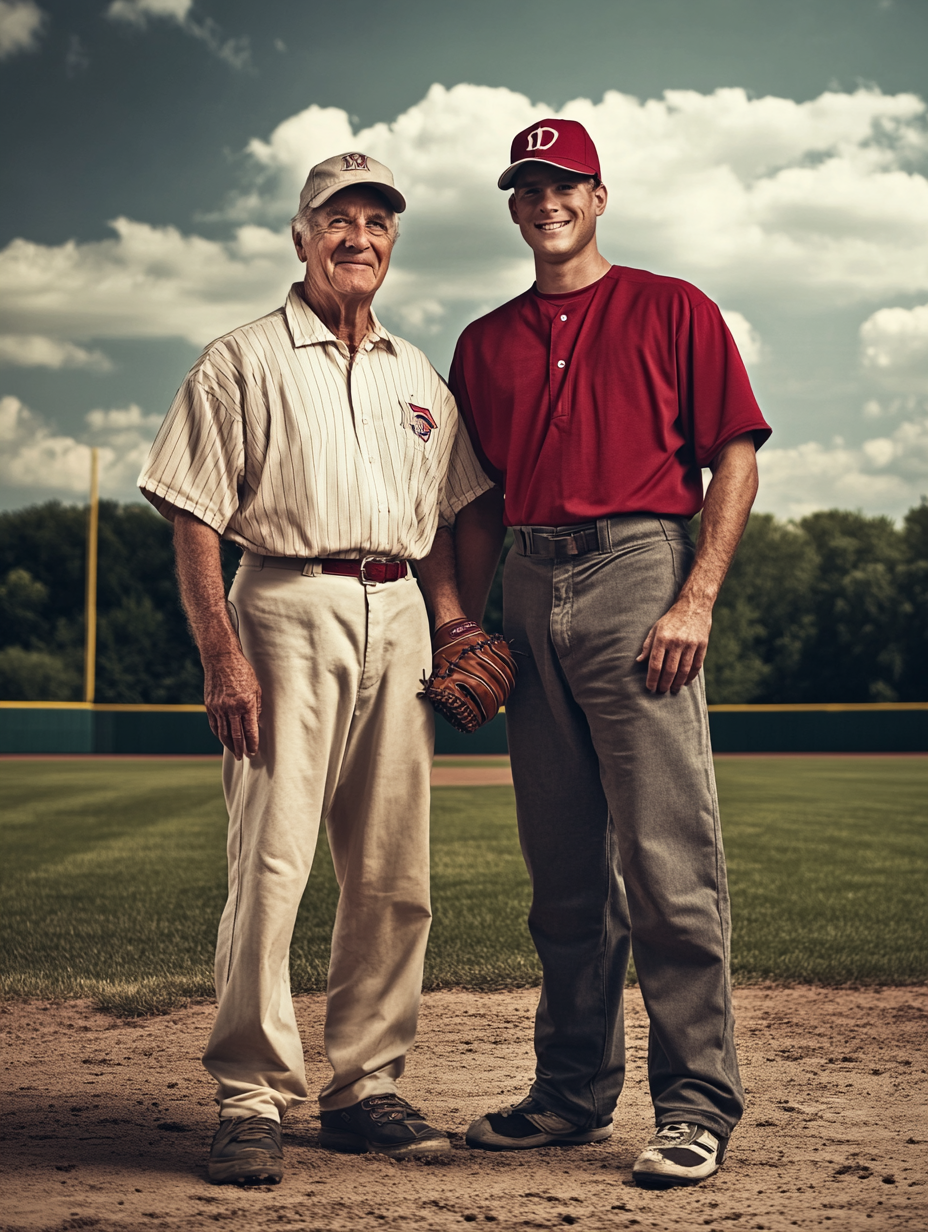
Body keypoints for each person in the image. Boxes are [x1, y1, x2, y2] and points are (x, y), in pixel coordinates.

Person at [138, 151, 494, 1185]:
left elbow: (444, 514)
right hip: (284, 601)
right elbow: (196, 513)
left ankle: (363, 1085)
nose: (358, 236)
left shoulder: (414, 374)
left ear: (392, 242)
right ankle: (251, 1090)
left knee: (393, 869)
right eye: (337, 217)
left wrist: (453, 621)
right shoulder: (240, 359)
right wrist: (222, 654)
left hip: (400, 617)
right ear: (300, 236)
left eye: (377, 220)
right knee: (273, 860)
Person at [449, 119, 771, 1188]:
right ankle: (571, 1090)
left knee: (669, 863)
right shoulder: (484, 341)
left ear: (598, 195)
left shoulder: (672, 306)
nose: (546, 200)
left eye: (565, 184)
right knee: (563, 876)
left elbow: (732, 457)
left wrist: (696, 597)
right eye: (527, 186)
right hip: (529, 579)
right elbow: (481, 504)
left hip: (639, 567)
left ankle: (694, 1103)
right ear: (513, 205)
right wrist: (463, 616)